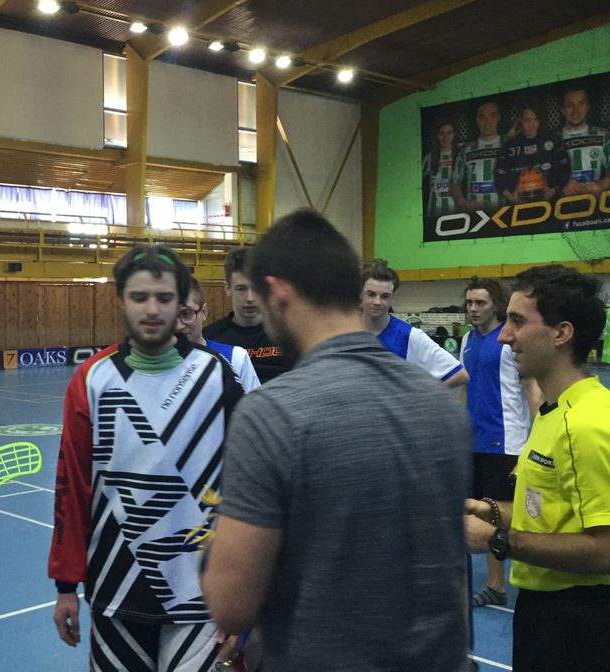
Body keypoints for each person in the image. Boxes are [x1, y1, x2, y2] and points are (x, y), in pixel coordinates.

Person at [201, 209, 470, 671]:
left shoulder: (271, 414)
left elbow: (231, 604)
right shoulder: (439, 405)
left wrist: (212, 544)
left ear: (278, 292)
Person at [49, 245, 245, 671]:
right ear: (120, 301)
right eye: (140, 297)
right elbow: (72, 485)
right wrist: (66, 585)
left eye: (164, 297)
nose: (152, 309)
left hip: (199, 593)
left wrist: (241, 595)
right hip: (115, 593)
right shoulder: (92, 379)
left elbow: (246, 488)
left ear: (181, 303)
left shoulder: (216, 376)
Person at [465, 265, 610, 671]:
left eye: (517, 321)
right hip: (545, 612)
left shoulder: (588, 423)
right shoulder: (552, 413)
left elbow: (605, 550)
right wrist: (489, 510)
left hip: (579, 622)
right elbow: (548, 513)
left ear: (561, 334)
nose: (504, 336)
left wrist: (497, 539)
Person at [460, 276, 533, 608]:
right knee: (475, 513)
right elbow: (466, 389)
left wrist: (535, 438)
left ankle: (496, 586)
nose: (473, 309)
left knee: (496, 515)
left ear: (496, 305)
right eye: (469, 302)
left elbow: (532, 389)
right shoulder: (467, 340)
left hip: (505, 443)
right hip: (473, 442)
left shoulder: (509, 340)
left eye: (481, 303)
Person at [360, 258, 468, 388]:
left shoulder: (409, 336)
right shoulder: (344, 331)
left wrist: (419, 398)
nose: (377, 302)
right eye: (371, 294)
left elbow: (459, 375)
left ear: (393, 298)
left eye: (385, 296)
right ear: (360, 294)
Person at [204, 246, 294, 383]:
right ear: (227, 288)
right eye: (241, 289)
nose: (250, 298)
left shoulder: (288, 333)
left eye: (256, 288)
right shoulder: (211, 338)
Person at [176, 277, 259, 393]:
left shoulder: (235, 358)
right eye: (171, 316)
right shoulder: (153, 366)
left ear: (204, 312)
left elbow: (253, 403)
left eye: (186, 313)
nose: (179, 326)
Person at [495, 102, 570, 204]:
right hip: (519, 204)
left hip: (549, 202)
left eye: (536, 119)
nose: (532, 125)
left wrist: (553, 190)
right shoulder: (510, 145)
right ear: (521, 120)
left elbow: (565, 169)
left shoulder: (552, 140)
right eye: (527, 120)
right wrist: (511, 197)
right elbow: (499, 176)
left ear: (540, 121)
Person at [451, 100, 504, 212]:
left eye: (492, 115)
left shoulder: (509, 145)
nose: (487, 121)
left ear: (498, 118)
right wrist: (464, 203)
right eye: (482, 117)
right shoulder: (466, 150)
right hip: (474, 215)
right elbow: (454, 183)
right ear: (476, 120)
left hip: (503, 213)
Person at [558, 85, 610, 196]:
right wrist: (561, 188)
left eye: (581, 104)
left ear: (588, 107)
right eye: (570, 105)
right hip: (562, 204)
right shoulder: (553, 140)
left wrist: (602, 184)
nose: (575, 110)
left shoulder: (603, 136)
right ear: (562, 110)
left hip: (597, 203)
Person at [422, 117, 461, 217]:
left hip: (456, 212)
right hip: (433, 211)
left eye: (449, 133)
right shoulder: (429, 157)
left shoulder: (461, 155)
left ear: (454, 134)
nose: (445, 137)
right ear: (437, 135)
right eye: (441, 133)